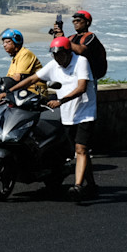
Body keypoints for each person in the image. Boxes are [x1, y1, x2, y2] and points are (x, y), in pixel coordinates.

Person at [32, 34, 98, 201]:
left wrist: (60, 101)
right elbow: (33, 78)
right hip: (69, 115)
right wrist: (8, 91)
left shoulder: (81, 62)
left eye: (60, 55)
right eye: (55, 55)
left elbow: (82, 87)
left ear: (69, 53)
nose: (58, 58)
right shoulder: (54, 65)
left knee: (80, 149)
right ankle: (91, 185)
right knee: (80, 151)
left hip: (85, 113)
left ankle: (77, 187)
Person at [67, 10, 107, 84]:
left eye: (78, 20)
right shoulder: (71, 38)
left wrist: (63, 41)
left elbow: (81, 50)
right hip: (73, 75)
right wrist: (58, 38)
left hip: (88, 77)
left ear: (87, 22)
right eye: (74, 21)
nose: (75, 23)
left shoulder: (91, 37)